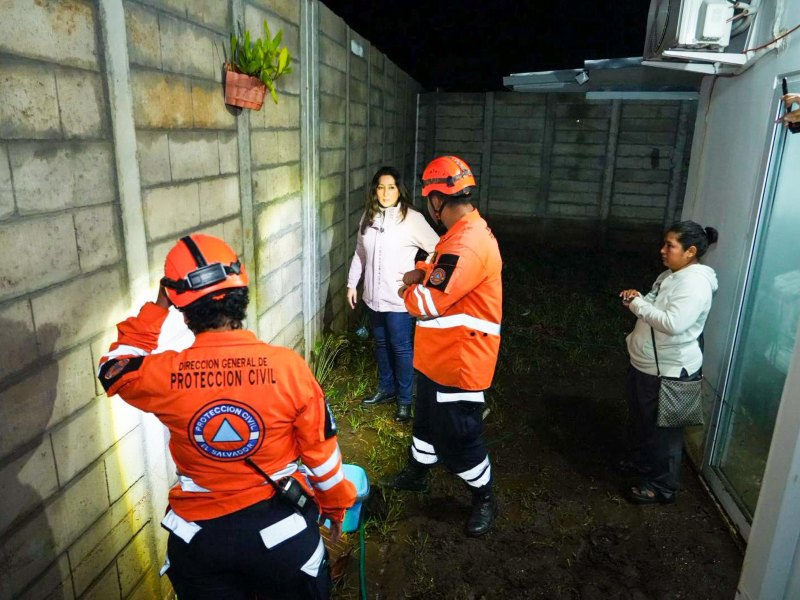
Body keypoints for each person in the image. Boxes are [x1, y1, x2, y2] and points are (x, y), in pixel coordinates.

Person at [98, 234, 356, 599]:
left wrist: (157, 307)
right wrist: (335, 503)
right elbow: (322, 455)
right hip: (281, 538)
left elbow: (113, 368)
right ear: (242, 293)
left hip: (199, 543)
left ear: (181, 308)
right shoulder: (288, 368)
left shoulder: (167, 374)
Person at [382, 155, 503, 537]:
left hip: (460, 363)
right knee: (427, 423)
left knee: (460, 436)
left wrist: (408, 289)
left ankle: (484, 496)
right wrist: (423, 273)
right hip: (439, 357)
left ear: (437, 197)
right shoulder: (460, 235)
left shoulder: (465, 244)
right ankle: (418, 472)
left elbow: (428, 303)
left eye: (428, 197)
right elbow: (439, 274)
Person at [618, 221, 719, 504]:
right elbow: (652, 304)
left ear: (691, 251)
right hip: (648, 366)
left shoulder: (694, 284)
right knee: (643, 421)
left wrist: (638, 305)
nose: (662, 250)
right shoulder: (670, 275)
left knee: (666, 432)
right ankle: (643, 463)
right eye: (664, 244)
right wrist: (638, 297)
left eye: (670, 246)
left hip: (670, 371)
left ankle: (663, 486)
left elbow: (673, 323)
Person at [346, 166, 439, 422]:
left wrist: (420, 274)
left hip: (399, 299)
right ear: (374, 190)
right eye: (380, 187)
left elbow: (437, 249)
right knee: (381, 344)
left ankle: (405, 401)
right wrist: (352, 284)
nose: (385, 193)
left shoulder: (412, 218)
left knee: (400, 348)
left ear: (400, 189)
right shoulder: (368, 216)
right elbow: (360, 253)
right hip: (373, 298)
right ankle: (386, 389)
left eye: (391, 187)